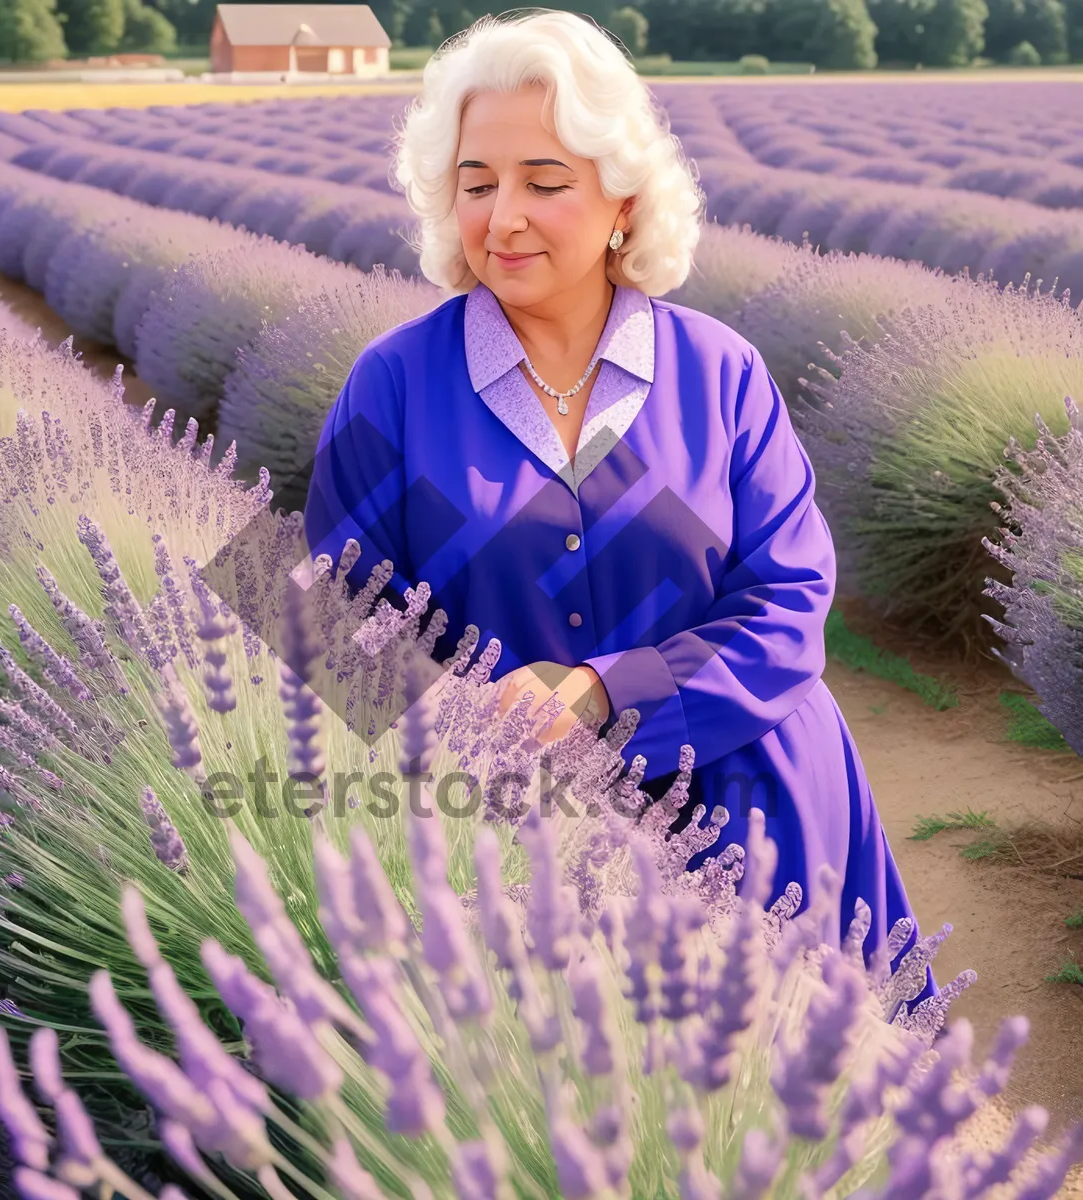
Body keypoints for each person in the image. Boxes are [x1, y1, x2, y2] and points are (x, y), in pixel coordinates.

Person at [304, 9, 934, 1002]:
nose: (502, 216)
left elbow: (792, 599)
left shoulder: (720, 371)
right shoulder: (391, 384)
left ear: (624, 202)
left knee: (801, 1127)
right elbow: (331, 635)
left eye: (544, 183)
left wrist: (606, 692)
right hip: (515, 852)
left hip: (753, 808)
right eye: (476, 184)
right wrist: (472, 735)